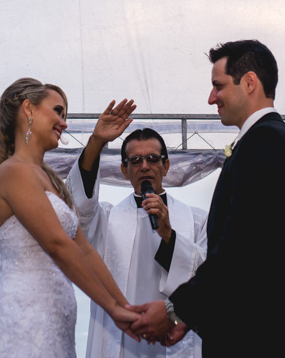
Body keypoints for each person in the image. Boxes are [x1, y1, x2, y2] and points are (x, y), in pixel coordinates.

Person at [129, 39, 285, 357]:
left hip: (263, 337)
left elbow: (241, 247)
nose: (211, 98)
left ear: (249, 83)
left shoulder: (265, 142)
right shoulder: (265, 140)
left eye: (218, 86)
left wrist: (177, 309)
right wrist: (189, 317)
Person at [0, 78, 140, 358]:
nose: (64, 123)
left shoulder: (51, 181)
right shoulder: (13, 171)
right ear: (29, 109)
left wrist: (126, 307)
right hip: (23, 326)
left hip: (56, 328)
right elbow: (56, 244)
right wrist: (111, 309)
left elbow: (85, 251)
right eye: (57, 111)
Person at [67, 103, 208, 358]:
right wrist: (96, 142)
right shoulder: (107, 220)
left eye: (153, 159)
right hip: (120, 342)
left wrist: (169, 236)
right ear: (125, 170)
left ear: (166, 167)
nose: (144, 166)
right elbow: (80, 208)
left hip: (173, 338)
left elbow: (208, 277)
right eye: (135, 160)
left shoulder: (196, 220)